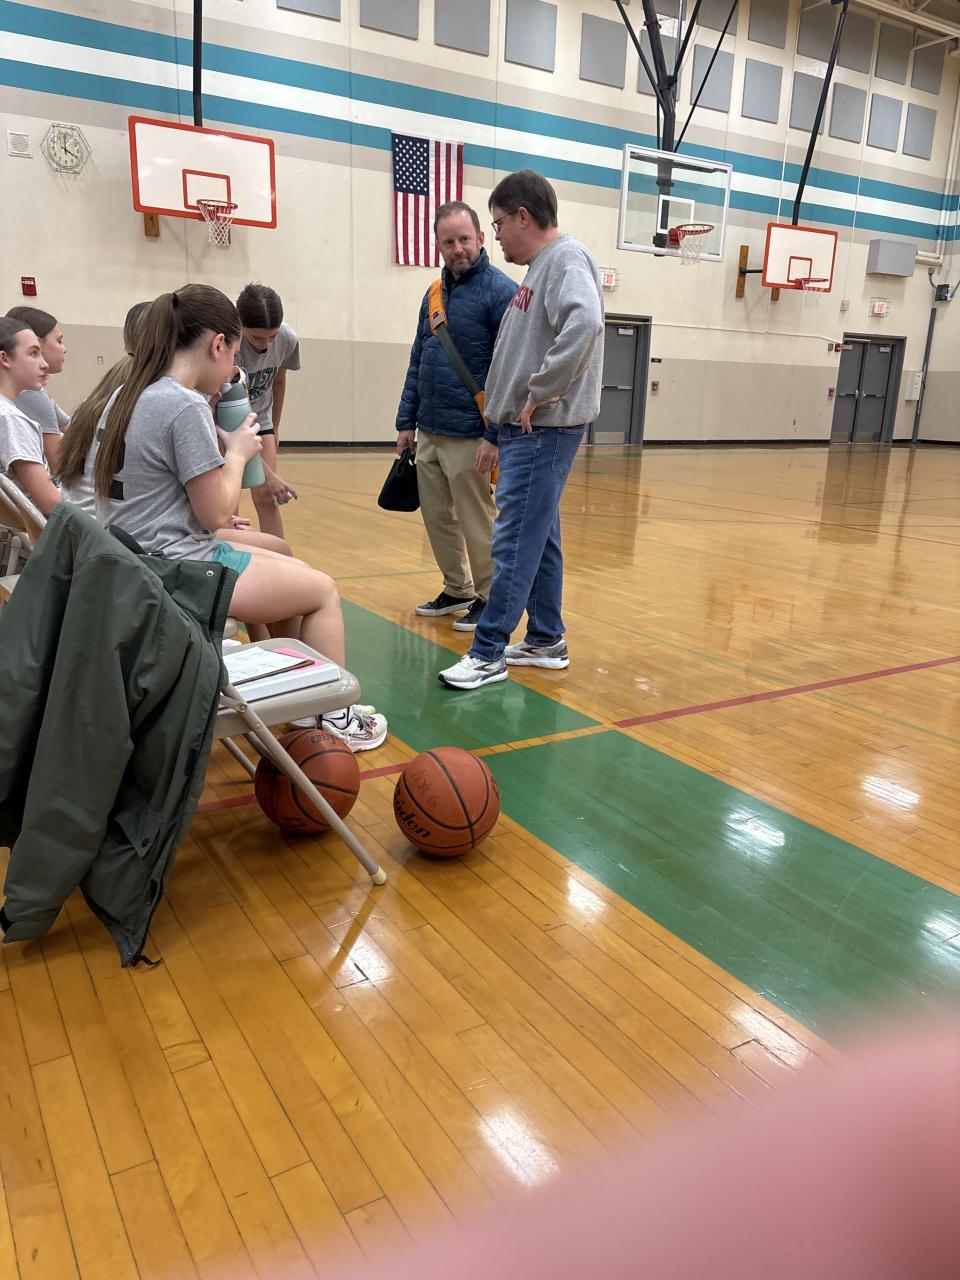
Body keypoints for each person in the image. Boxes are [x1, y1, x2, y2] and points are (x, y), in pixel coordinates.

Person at [58, 285, 386, 751]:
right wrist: (237, 454)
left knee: (294, 572)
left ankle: (299, 705)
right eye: (234, 354)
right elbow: (215, 513)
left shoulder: (127, 394)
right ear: (217, 345)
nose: (234, 369)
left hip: (134, 561)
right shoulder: (182, 403)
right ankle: (335, 718)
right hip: (177, 569)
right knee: (322, 591)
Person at [438, 170, 604, 691]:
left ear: (523, 217)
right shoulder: (541, 269)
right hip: (524, 429)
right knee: (541, 537)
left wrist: (541, 390)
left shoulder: (565, 259)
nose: (498, 235)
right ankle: (546, 639)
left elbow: (586, 323)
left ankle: (488, 651)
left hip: (543, 429)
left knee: (513, 541)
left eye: (498, 224)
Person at [396, 201, 516, 633]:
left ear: (481, 239)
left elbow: (510, 369)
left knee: (476, 520)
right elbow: (419, 358)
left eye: (465, 239)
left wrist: (495, 434)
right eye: (449, 242)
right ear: (438, 245)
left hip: (472, 434)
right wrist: (405, 422)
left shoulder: (502, 292)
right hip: (429, 430)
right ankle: (457, 588)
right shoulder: (433, 295)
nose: (458, 248)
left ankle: (489, 597)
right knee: (436, 518)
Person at [236, 283, 301, 540]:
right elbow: (228, 419)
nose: (265, 345)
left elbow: (279, 381)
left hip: (260, 418)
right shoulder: (228, 343)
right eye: (257, 338)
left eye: (271, 337)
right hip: (227, 422)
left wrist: (275, 426)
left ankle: (280, 557)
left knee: (267, 496)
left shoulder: (287, 339)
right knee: (228, 501)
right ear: (241, 326)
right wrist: (269, 475)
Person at [0, 316, 61, 515]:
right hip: (45, 529)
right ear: (4, 359)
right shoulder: (11, 419)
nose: (44, 364)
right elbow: (52, 504)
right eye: (33, 353)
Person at [6, 305, 68, 469]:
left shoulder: (36, 391)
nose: (64, 349)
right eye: (59, 341)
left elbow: (74, 430)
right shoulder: (28, 393)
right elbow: (60, 464)